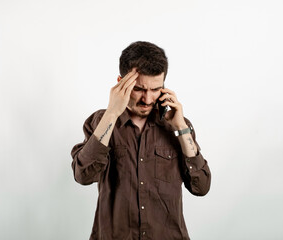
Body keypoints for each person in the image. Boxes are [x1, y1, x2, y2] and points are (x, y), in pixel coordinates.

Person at [71, 41, 211, 240]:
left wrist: (181, 128)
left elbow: (201, 187)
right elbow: (82, 175)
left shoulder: (179, 126)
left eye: (156, 89)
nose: (147, 99)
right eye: (139, 89)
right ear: (121, 83)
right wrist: (112, 113)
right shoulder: (101, 122)